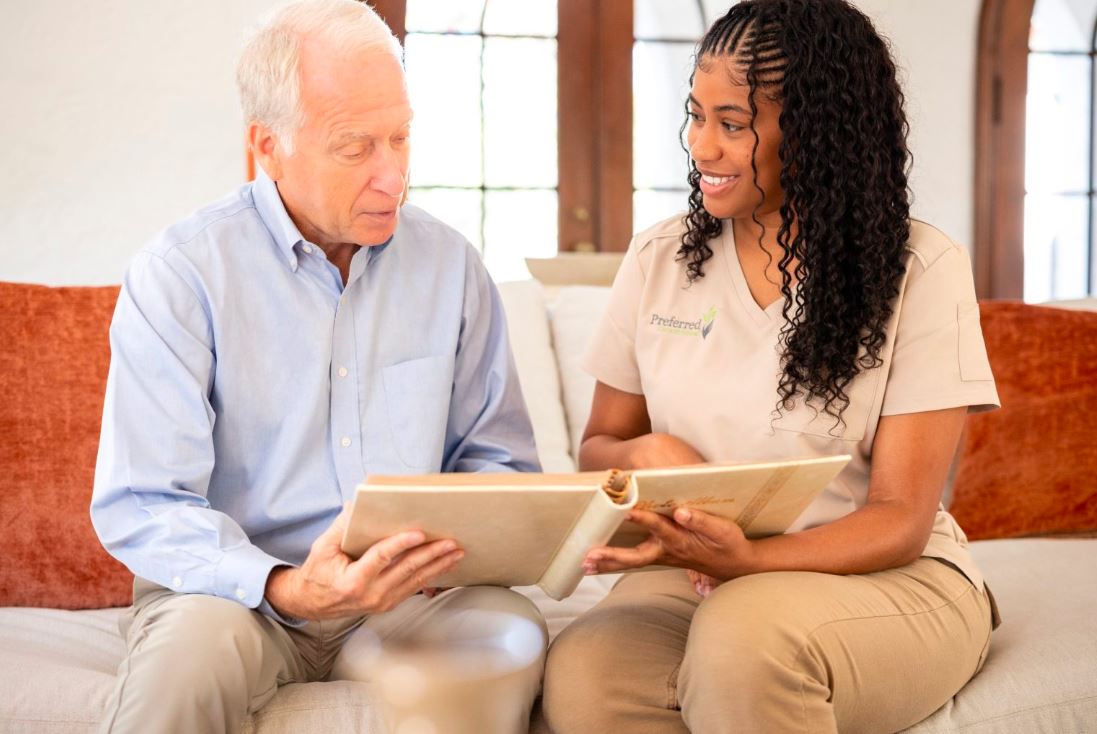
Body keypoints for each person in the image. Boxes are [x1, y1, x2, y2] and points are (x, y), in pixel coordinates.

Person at [542, 1, 1001, 732]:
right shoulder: (660, 258)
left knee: (744, 641)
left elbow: (900, 519)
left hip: (875, 573)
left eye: (732, 124)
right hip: (686, 571)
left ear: (817, 133)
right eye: (695, 115)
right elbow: (597, 445)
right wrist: (646, 456)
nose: (701, 146)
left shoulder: (919, 268)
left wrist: (747, 563)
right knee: (585, 676)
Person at [89, 1, 546, 732]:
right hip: (238, 599)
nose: (392, 176)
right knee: (184, 663)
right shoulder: (181, 275)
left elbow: (499, 463)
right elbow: (145, 502)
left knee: (506, 627)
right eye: (355, 147)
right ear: (268, 146)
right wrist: (289, 585)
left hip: (408, 599)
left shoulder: (451, 267)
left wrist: (451, 544)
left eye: (401, 138)